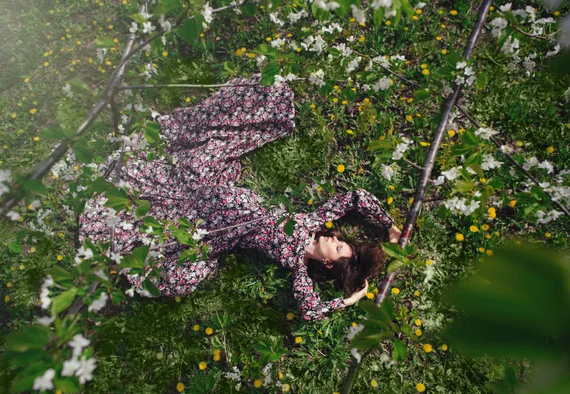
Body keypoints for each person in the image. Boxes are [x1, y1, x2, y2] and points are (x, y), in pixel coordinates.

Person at [78, 73, 400, 321]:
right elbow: (355, 198)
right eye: (341, 241)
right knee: (203, 155)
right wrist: (388, 226)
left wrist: (346, 301)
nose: (335, 237)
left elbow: (310, 310)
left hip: (212, 230)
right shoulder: (313, 221)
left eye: (339, 246)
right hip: (209, 196)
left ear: (329, 263)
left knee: (172, 261)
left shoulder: (297, 266)